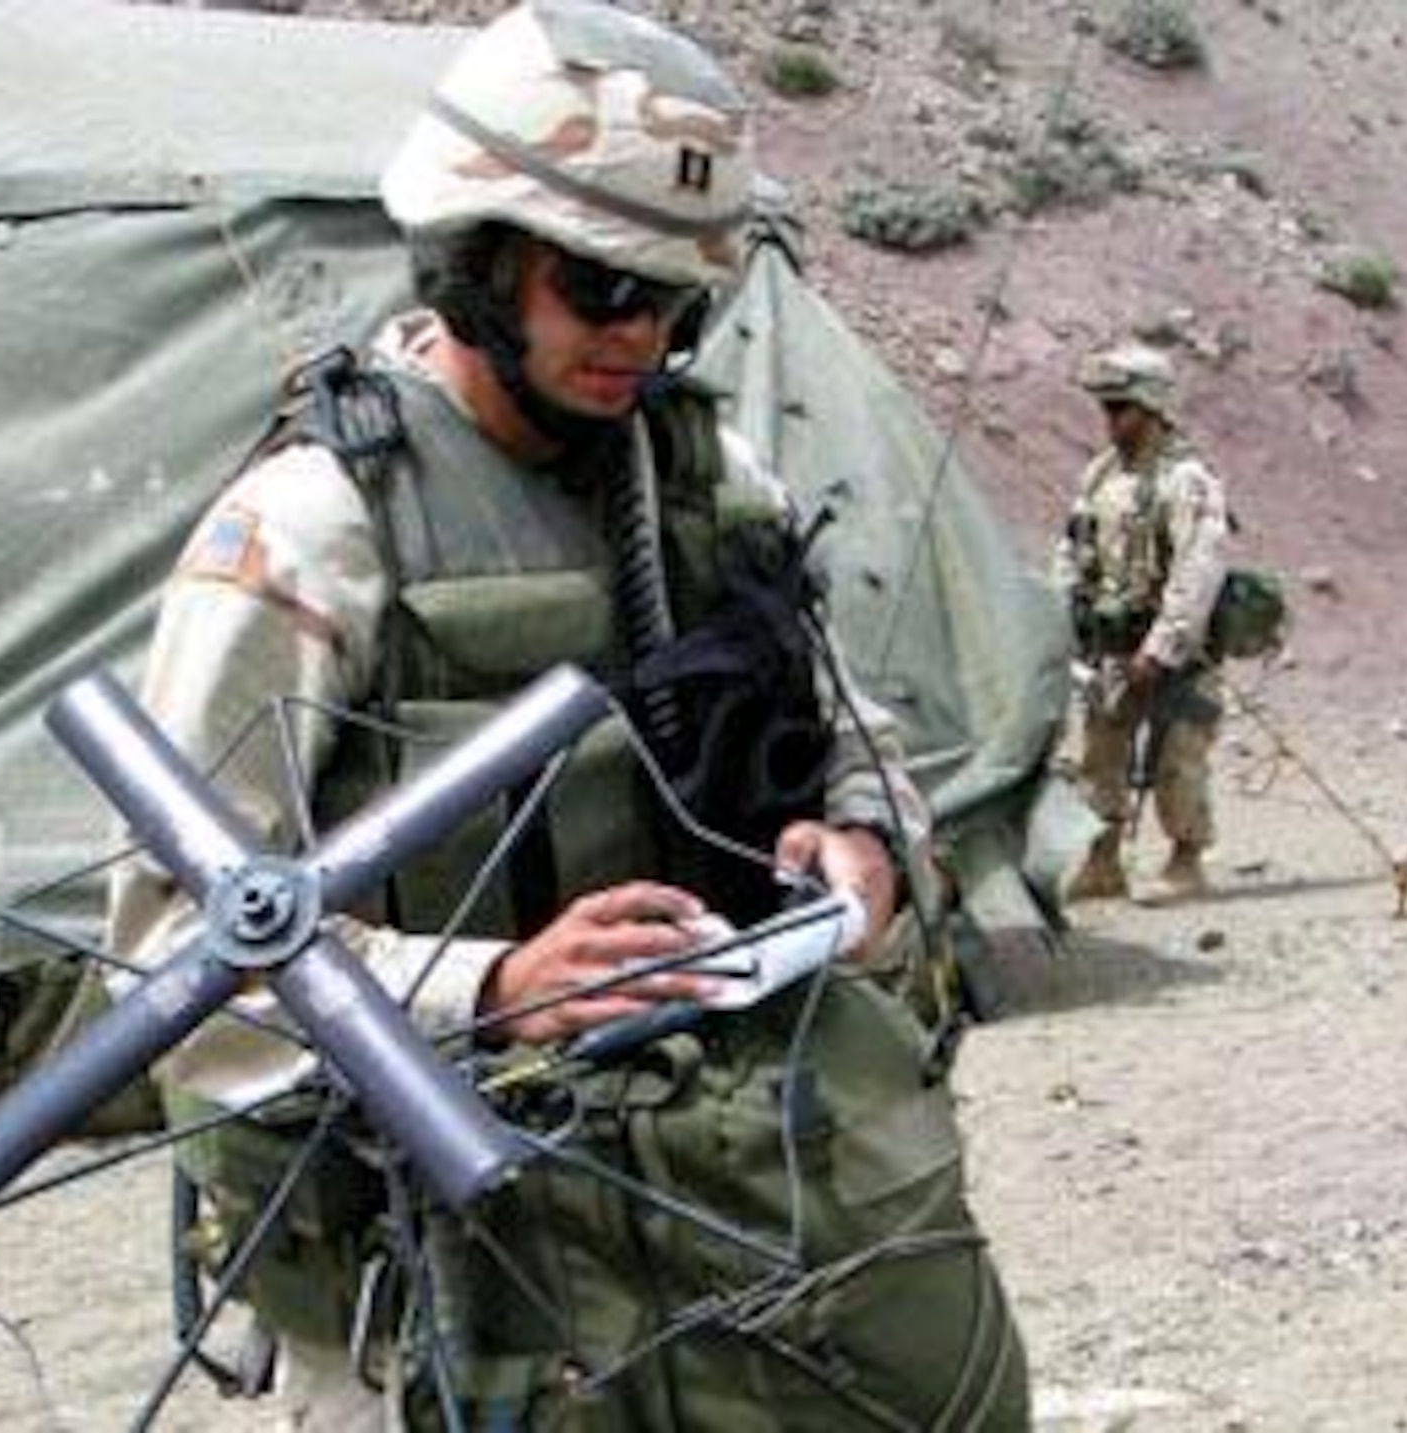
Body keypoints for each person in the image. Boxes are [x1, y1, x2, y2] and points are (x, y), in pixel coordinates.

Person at [109, 2, 1028, 1425]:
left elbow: (863, 747)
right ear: (478, 261)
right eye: (598, 287)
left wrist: (863, 852)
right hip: (424, 1258)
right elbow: (169, 952)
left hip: (712, 1218)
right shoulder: (315, 529)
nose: (639, 335)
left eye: (672, 302)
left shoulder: (705, 479)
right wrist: (486, 986)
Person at [1055, 343, 1231, 902]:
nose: (1108, 419)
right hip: (1109, 645)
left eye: (1119, 408)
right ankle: (1102, 860)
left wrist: (1162, 647)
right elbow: (1070, 549)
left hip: (1173, 652)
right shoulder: (1100, 474)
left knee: (1178, 754)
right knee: (1099, 756)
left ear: (1151, 408)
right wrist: (1062, 618)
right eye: (1104, 407)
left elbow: (1197, 571)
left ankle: (1186, 860)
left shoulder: (1188, 481)